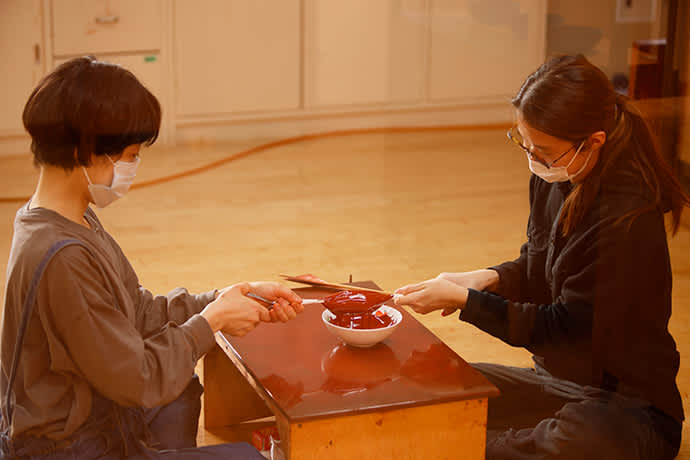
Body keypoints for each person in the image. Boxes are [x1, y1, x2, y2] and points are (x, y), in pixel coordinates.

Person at [0, 56, 304, 459]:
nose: (133, 166)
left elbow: (136, 310)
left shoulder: (70, 216)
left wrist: (222, 298)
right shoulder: (61, 257)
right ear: (85, 150)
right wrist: (210, 323)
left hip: (95, 411)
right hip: (69, 448)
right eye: (128, 155)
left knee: (179, 384)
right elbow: (139, 378)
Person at [395, 54, 690, 460]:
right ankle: (486, 441)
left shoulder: (627, 220)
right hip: (558, 383)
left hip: (626, 406)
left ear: (595, 140)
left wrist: (467, 302)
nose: (533, 158)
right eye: (524, 142)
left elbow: (563, 329)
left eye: (543, 149)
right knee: (433, 385)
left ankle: (474, 444)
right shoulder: (556, 174)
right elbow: (539, 269)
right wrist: (484, 278)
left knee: (577, 442)